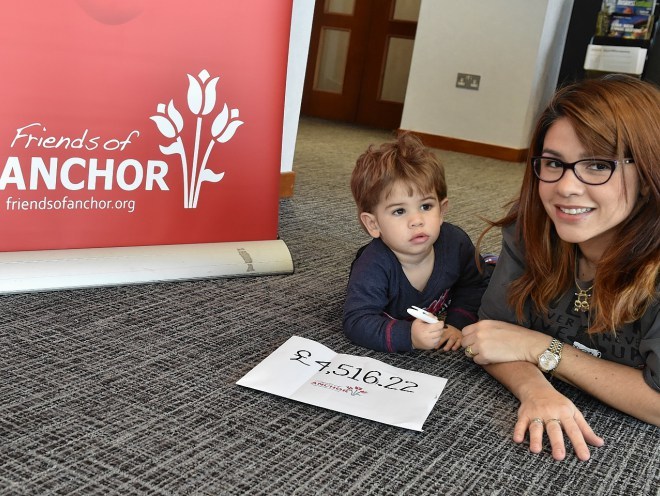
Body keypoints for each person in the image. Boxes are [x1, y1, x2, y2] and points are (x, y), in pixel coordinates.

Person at [461, 75, 660, 462]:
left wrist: (543, 349)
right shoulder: (530, 230)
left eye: (599, 164)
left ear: (649, 178)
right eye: (554, 163)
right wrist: (535, 389)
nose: (566, 187)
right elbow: (493, 337)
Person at [343, 132, 489, 353]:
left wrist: (458, 323)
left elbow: (474, 284)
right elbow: (356, 321)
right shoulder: (373, 266)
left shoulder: (455, 243)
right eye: (399, 211)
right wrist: (408, 336)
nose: (417, 221)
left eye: (426, 207)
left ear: (442, 210)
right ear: (373, 224)